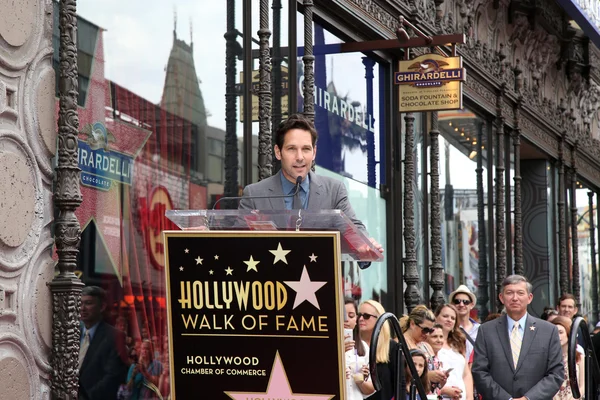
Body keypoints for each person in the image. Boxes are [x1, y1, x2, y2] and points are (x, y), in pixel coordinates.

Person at [239, 114, 383, 254]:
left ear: (314, 152)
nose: (300, 157)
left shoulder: (334, 190)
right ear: (278, 152)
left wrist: (364, 245)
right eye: (292, 149)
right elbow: (236, 244)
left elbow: (353, 227)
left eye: (306, 149)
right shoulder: (254, 195)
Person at [472, 274, 564, 400]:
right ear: (501, 297)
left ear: (529, 297)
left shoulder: (548, 331)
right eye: (509, 293)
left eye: (520, 293)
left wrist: (528, 398)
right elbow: (479, 371)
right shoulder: (486, 331)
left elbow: (556, 374)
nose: (515, 298)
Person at [78, 286, 128, 400]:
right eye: (80, 303)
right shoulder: (73, 333)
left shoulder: (115, 336)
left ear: (102, 307)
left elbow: (112, 377)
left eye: (88, 303)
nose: (82, 308)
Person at [358, 300, 399, 400]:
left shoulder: (392, 347)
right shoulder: (352, 344)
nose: (361, 319)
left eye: (366, 316)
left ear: (379, 319)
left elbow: (399, 383)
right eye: (359, 315)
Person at [434, 304, 473, 400]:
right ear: (436, 317)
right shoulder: (429, 342)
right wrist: (443, 390)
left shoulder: (458, 343)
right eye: (445, 316)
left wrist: (469, 397)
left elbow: (466, 375)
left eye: (453, 318)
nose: (449, 320)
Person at [344, 297, 375, 399]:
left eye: (351, 316)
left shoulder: (363, 346)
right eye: (342, 315)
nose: (346, 320)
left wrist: (361, 380)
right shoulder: (327, 346)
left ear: (356, 319)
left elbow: (370, 388)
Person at [551, 316, 585, 400]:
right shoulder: (547, 358)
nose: (557, 336)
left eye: (560, 332)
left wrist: (576, 398)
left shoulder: (580, 357)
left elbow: (582, 385)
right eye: (554, 332)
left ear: (568, 333)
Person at [449, 285, 479, 362]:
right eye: (457, 301)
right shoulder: (448, 329)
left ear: (471, 305)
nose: (461, 305)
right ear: (452, 304)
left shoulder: (480, 329)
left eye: (466, 302)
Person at [423, 324, 447, 396]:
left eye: (441, 337)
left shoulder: (440, 357)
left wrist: (442, 381)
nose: (439, 340)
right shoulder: (422, 355)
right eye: (434, 336)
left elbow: (436, 388)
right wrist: (428, 375)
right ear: (426, 338)